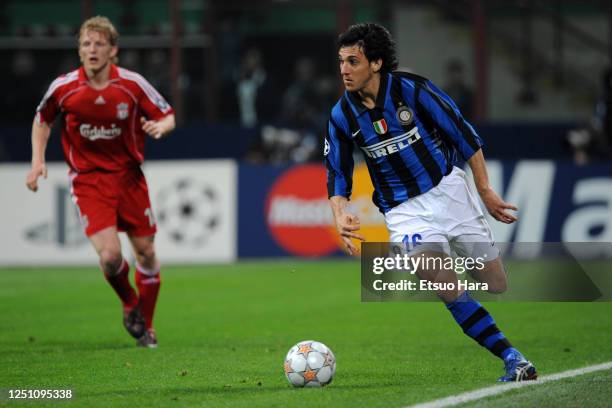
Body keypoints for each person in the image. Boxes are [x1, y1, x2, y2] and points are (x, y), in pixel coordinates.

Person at [325, 23, 537, 382]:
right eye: (341, 61)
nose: (344, 69)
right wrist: (340, 212)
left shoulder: (414, 91)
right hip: (404, 211)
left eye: (353, 61)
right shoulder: (341, 116)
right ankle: (512, 357)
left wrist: (485, 190)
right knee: (445, 286)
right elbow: (337, 172)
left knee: (495, 282)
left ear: (375, 63)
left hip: (448, 192)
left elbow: (465, 135)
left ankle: (466, 283)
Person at [25, 16, 175, 348]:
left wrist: (162, 127)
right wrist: (37, 161)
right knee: (110, 257)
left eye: (99, 44)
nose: (92, 50)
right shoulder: (64, 87)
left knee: (147, 253)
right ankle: (128, 302)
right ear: (79, 51)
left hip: (129, 178)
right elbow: (42, 119)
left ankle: (146, 327)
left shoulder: (131, 84)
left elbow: (167, 113)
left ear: (113, 50)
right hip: (89, 181)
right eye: (86, 44)